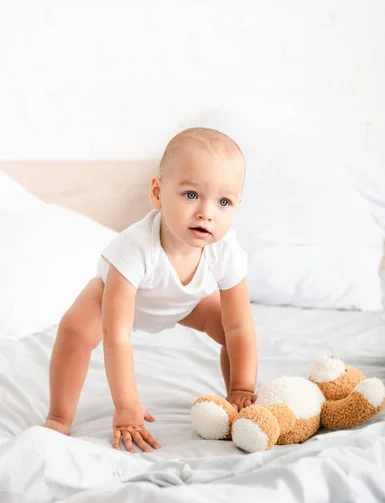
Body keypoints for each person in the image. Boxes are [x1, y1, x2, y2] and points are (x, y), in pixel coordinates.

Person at [43, 127, 258, 452]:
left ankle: (236, 402)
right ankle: (59, 417)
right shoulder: (134, 248)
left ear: (237, 206)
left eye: (223, 201)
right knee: (74, 332)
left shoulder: (225, 250)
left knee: (231, 334)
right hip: (116, 301)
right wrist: (127, 407)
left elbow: (240, 324)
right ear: (157, 193)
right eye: (190, 195)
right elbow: (116, 337)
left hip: (186, 304)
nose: (206, 212)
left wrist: (243, 385)